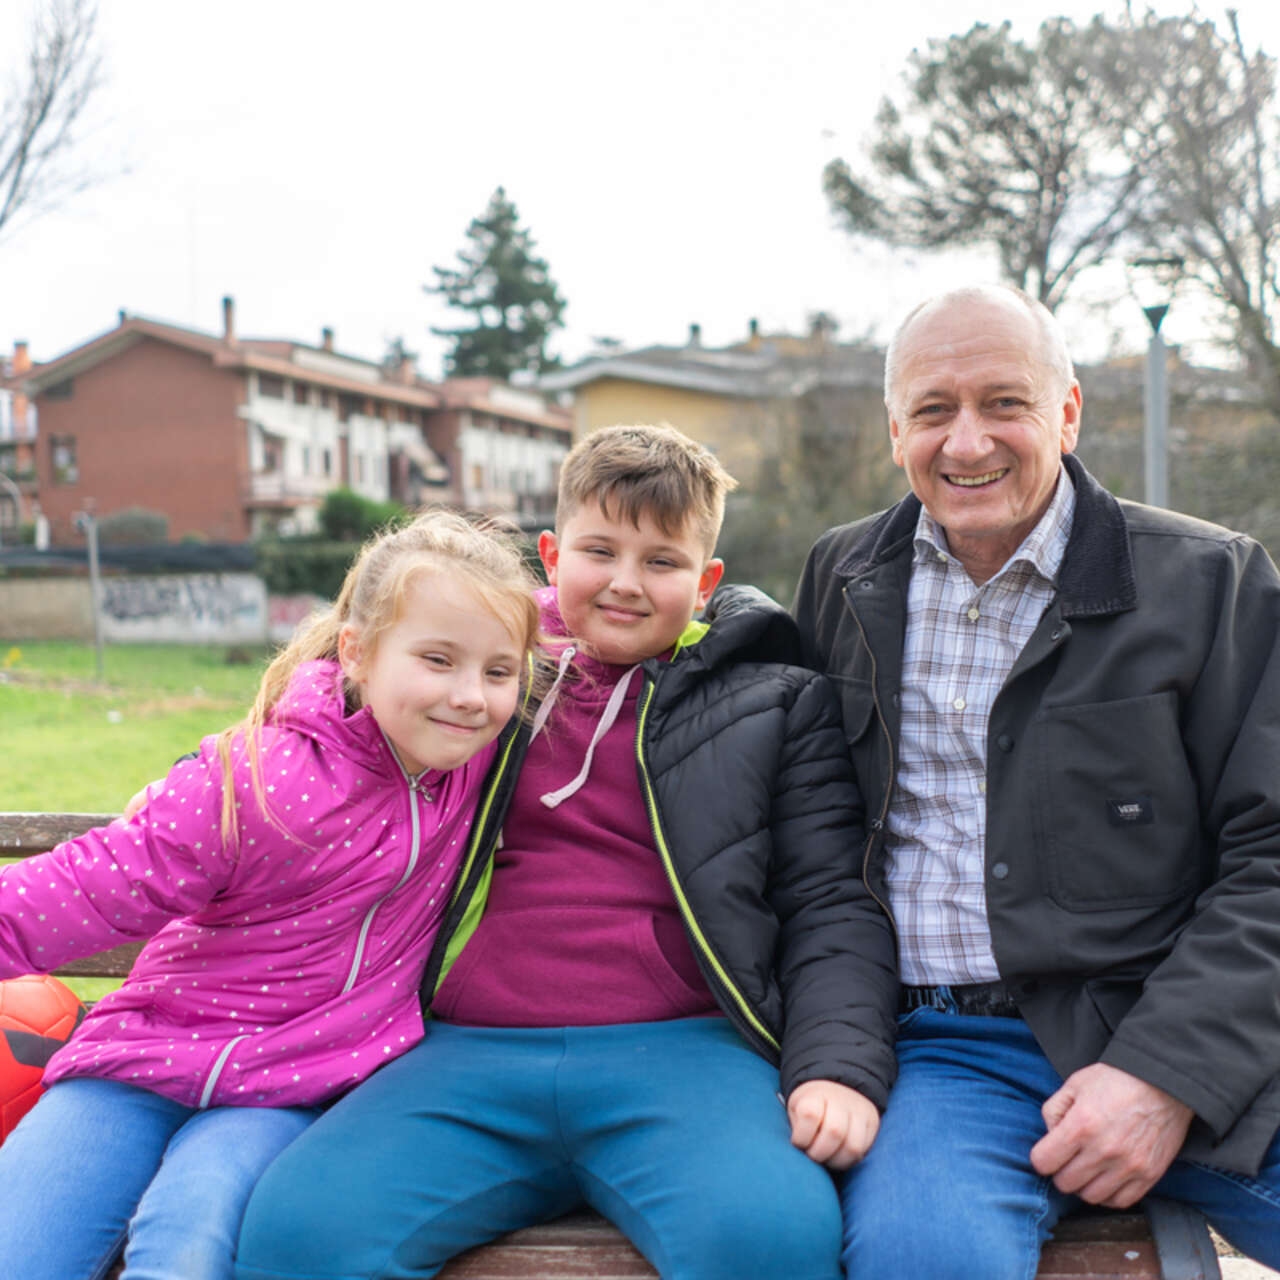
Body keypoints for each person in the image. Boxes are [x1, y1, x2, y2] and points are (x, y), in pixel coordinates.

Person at [233, 424, 898, 1280]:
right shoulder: (488, 680)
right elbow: (340, 724)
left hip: (684, 1055)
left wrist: (837, 1069)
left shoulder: (777, 704)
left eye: (662, 562)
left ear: (706, 583)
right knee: (300, 1236)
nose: (625, 582)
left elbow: (831, 903)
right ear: (551, 555)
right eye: (599, 550)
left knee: (770, 1240)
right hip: (467, 1050)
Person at [793, 283, 1280, 1277]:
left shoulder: (1209, 582)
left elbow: (1270, 856)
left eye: (1002, 403)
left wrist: (1161, 1073)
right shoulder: (840, 579)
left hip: (1181, 1027)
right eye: (932, 410)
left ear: (1065, 413)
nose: (965, 442)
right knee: (919, 1257)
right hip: (943, 1053)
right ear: (895, 431)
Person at [0, 510, 542, 1280]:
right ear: (356, 650)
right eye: (436, 659)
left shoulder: (474, 771)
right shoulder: (256, 781)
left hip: (288, 1089)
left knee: (186, 1248)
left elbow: (573, 611)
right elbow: (77, 890)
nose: (469, 696)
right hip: (136, 1063)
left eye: (497, 673)